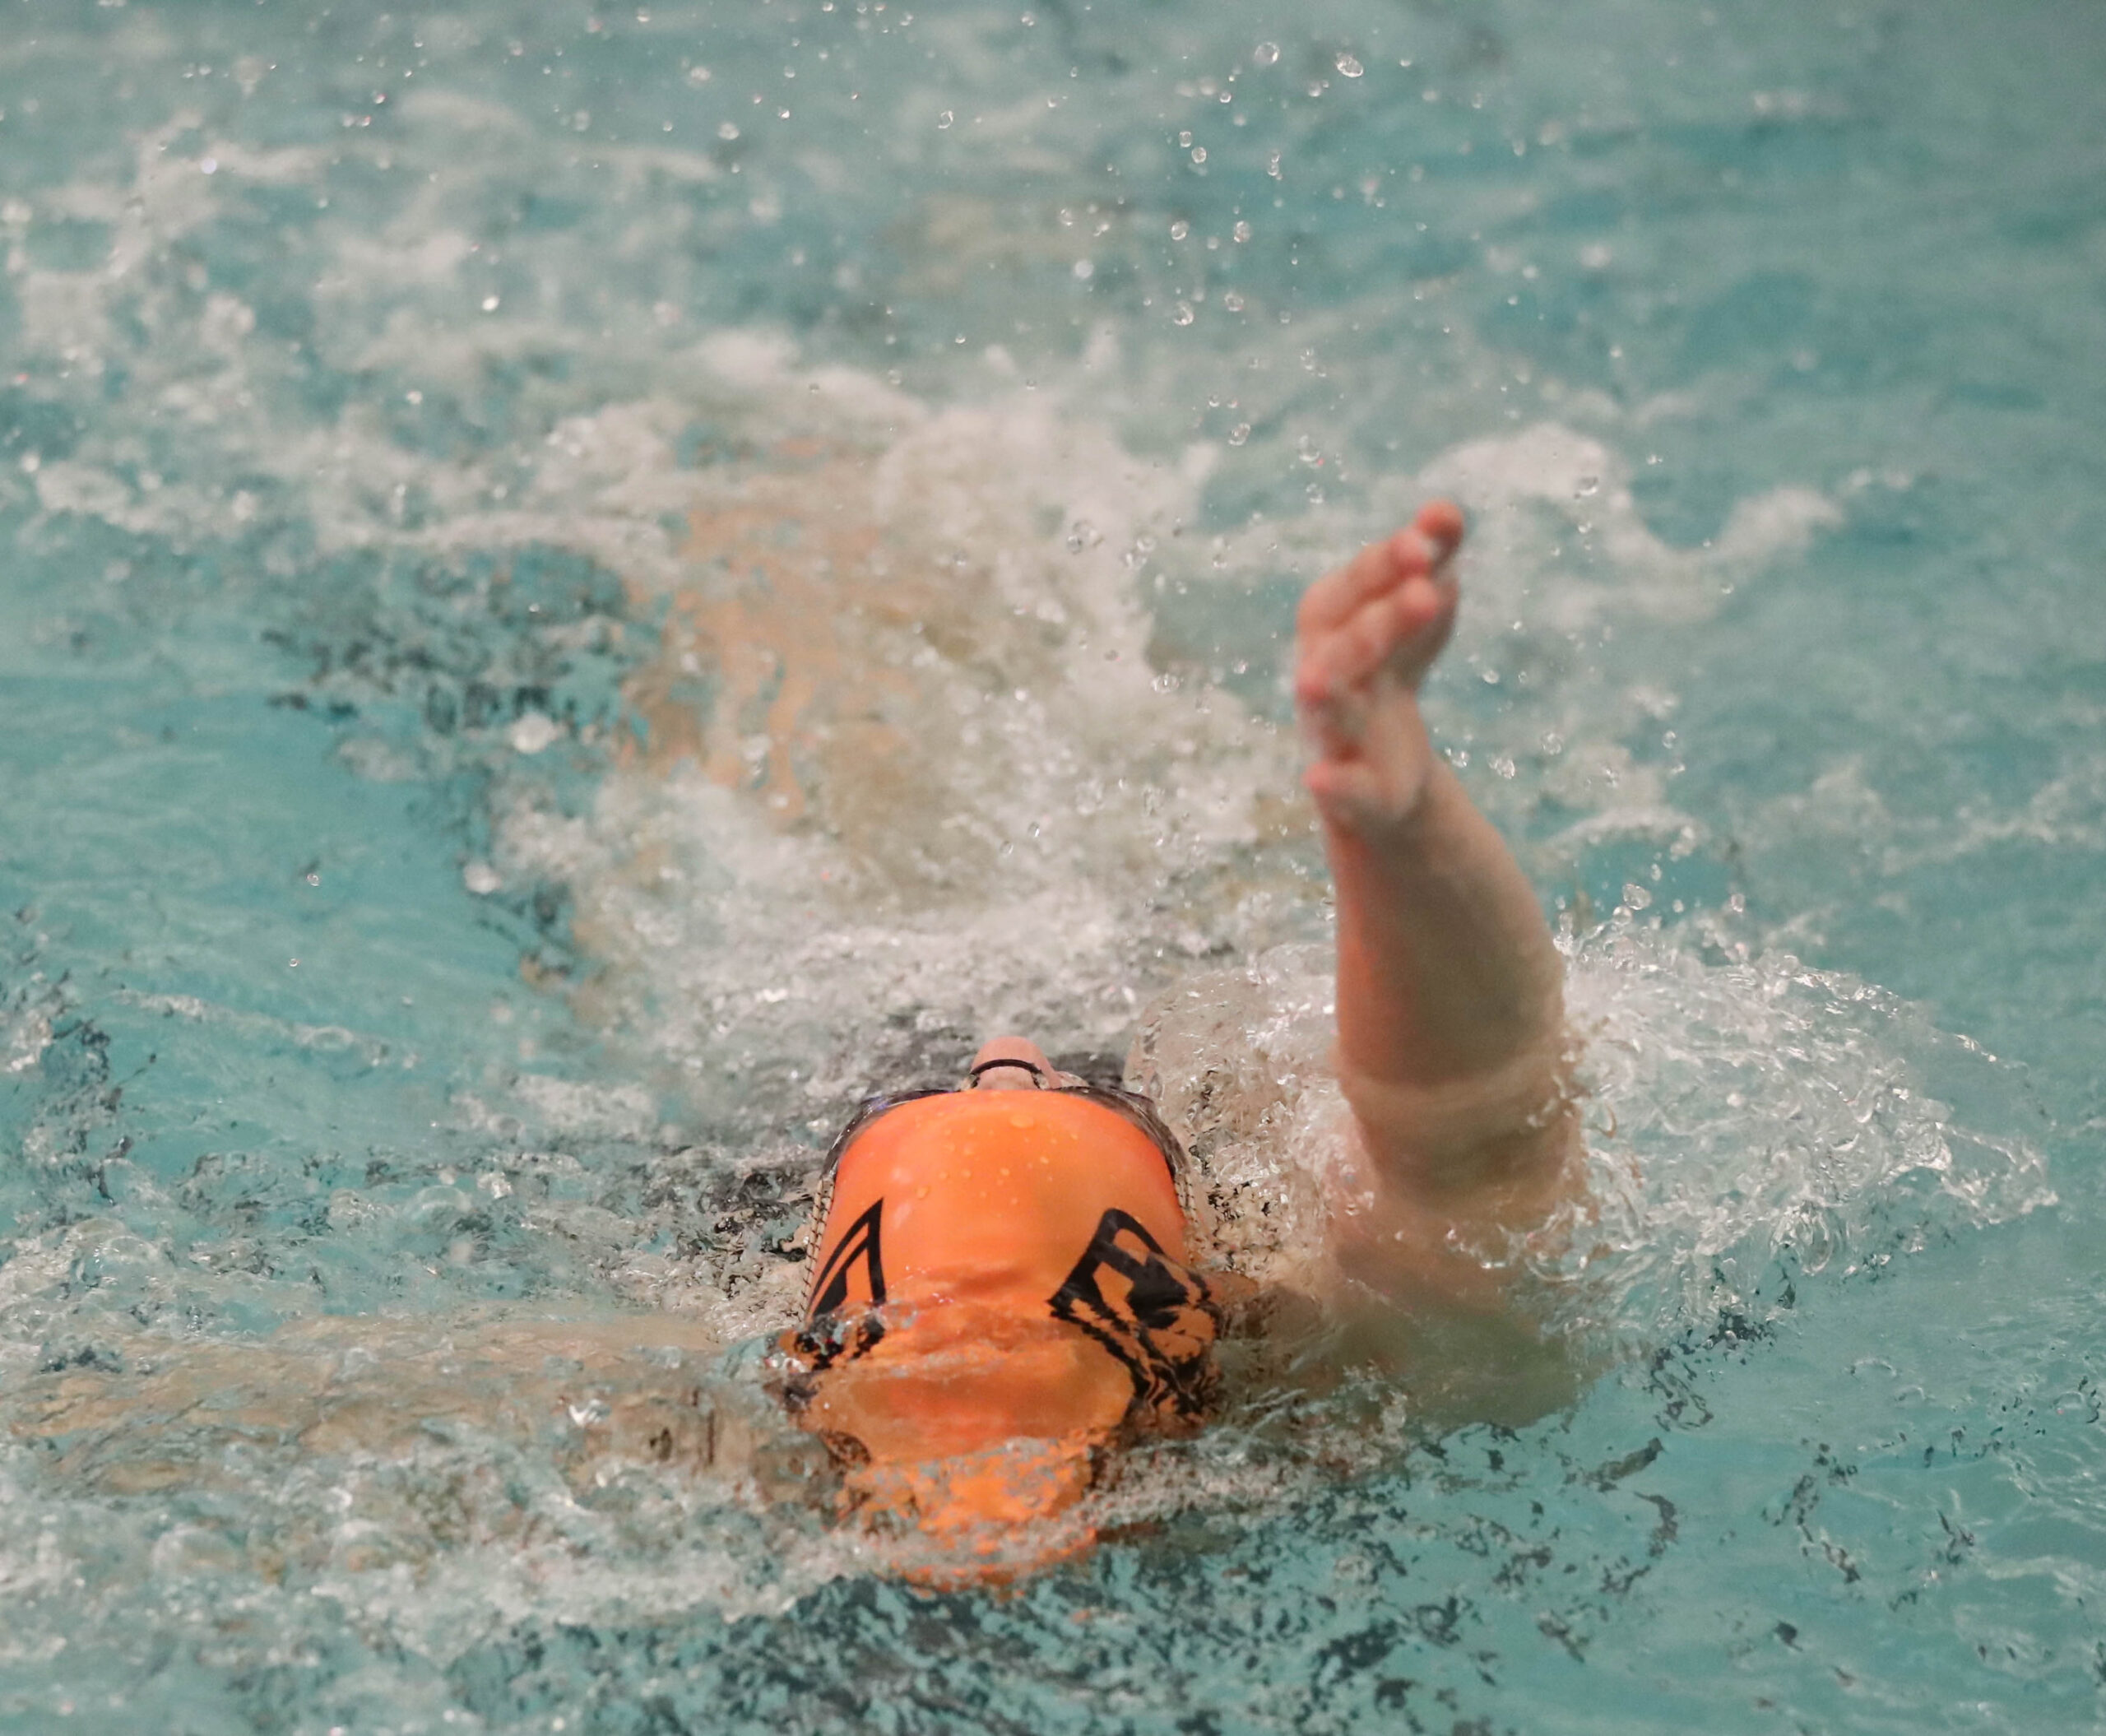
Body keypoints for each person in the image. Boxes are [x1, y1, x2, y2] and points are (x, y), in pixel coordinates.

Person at [773, 501, 1581, 1572]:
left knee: (802, 694)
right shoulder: (1311, 1353)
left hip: (814, 1042)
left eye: (933, 1095)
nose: (1005, 1044)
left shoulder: (706, 1402)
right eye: (1090, 1099)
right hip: (1155, 961)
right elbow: (1472, 1133)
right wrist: (1400, 829)